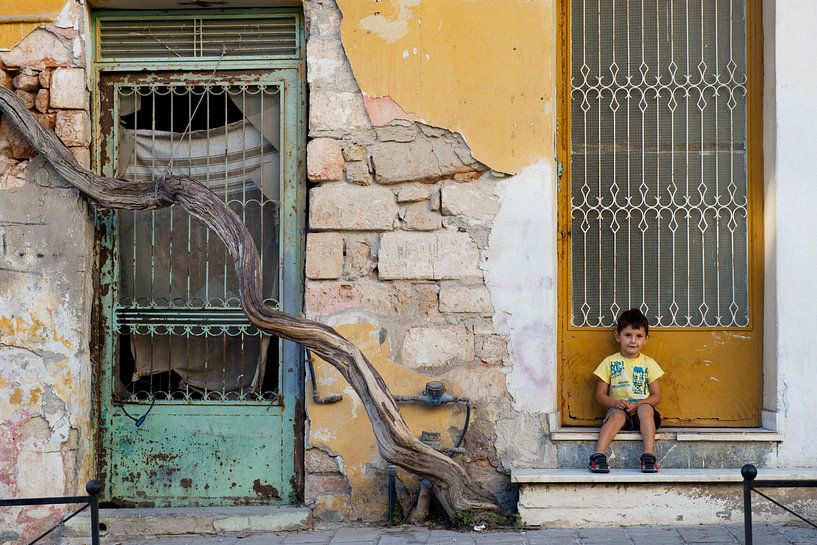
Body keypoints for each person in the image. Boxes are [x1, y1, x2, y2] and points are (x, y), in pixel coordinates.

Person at [587, 308, 664, 473]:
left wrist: (640, 404)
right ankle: (598, 456)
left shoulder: (648, 363)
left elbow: (657, 396)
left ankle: (648, 456)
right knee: (616, 414)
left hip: (643, 413)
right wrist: (615, 403)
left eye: (639, 336)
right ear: (617, 336)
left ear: (646, 339)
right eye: (628, 335)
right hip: (620, 411)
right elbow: (600, 395)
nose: (633, 341)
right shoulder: (609, 362)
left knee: (645, 408)